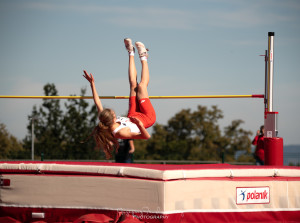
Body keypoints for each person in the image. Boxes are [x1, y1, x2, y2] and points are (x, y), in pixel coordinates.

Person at [83, 38, 156, 159]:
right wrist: (140, 124)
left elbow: (97, 102)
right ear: (112, 119)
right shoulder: (121, 133)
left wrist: (92, 84)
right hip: (146, 118)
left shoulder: (105, 119)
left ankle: (130, 51)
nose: (114, 111)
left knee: (133, 84)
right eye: (113, 113)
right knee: (142, 86)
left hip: (132, 115)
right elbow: (146, 136)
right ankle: (144, 56)